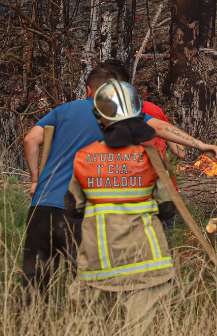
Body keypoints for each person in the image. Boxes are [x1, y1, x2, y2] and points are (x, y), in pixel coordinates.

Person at [20, 60, 217, 296]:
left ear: (89, 89)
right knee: (91, 290)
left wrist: (35, 180)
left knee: (33, 288)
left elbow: (30, 139)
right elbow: (159, 127)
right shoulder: (117, 114)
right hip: (82, 213)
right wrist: (200, 145)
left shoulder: (63, 110)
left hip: (42, 207)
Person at [67, 80, 177, 333]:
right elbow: (168, 208)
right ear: (138, 113)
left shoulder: (83, 157)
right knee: (139, 328)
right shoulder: (150, 156)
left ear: (100, 118)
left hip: (98, 261)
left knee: (90, 326)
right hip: (145, 262)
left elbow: (73, 208)